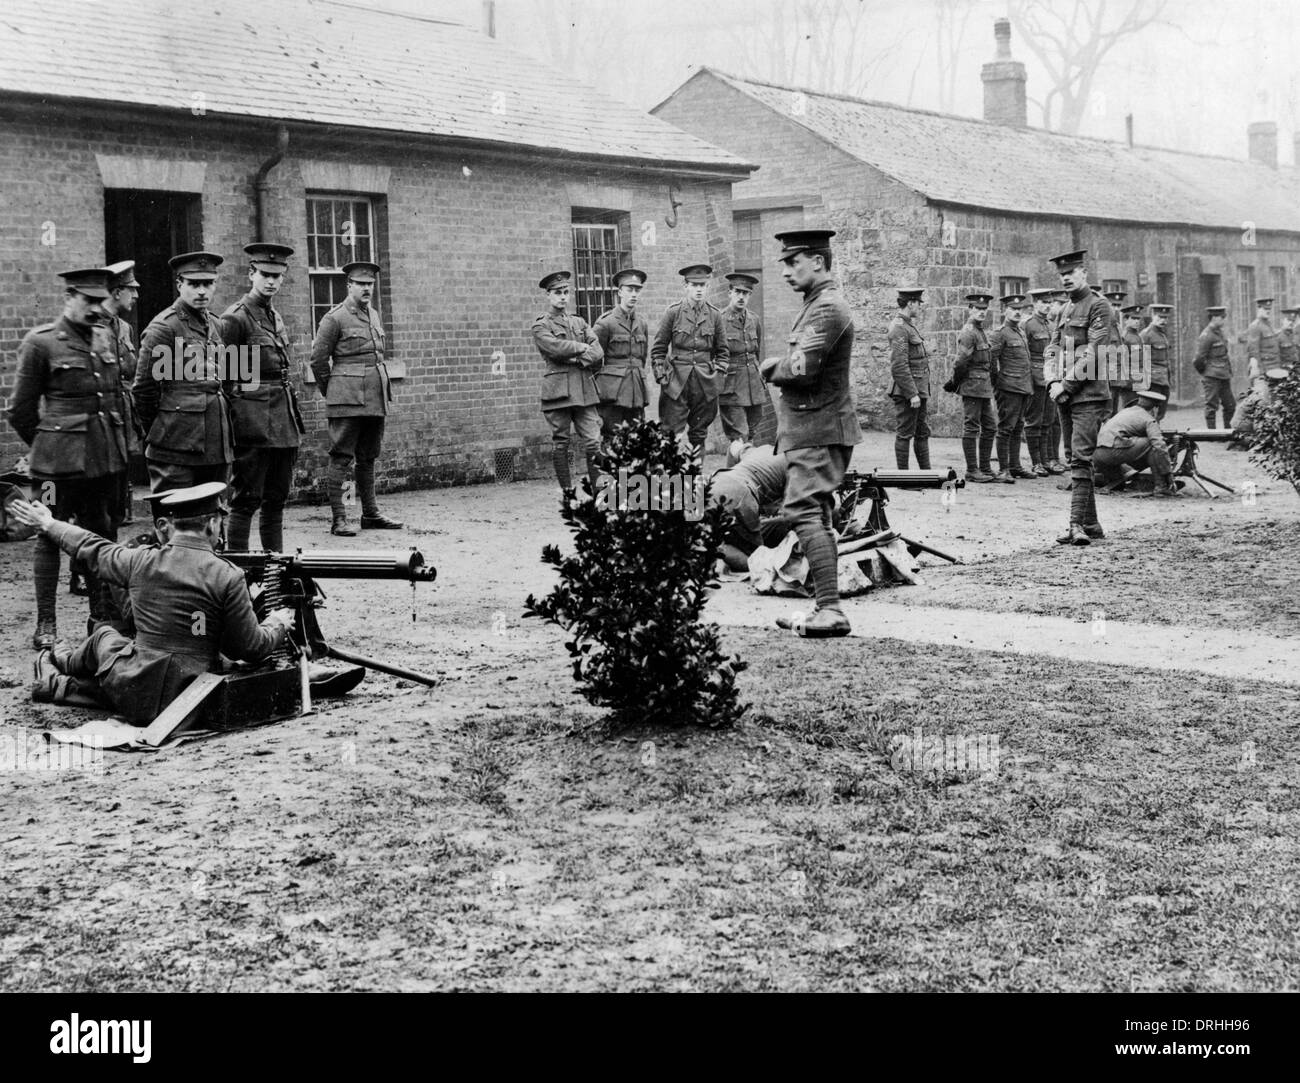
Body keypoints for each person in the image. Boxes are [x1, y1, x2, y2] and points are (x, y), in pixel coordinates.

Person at [11, 483, 295, 725]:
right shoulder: (228, 575)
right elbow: (249, 648)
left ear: (173, 525)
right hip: (192, 697)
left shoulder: (140, 560)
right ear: (212, 523)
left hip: (131, 687)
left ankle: (63, 660)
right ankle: (61, 671)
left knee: (105, 637)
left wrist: (48, 523)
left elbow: (91, 546)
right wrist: (277, 623)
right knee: (108, 639)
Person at [6, 267, 130, 648]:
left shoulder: (105, 337)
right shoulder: (40, 342)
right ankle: (46, 624)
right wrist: (47, 447)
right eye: (88, 301)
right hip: (54, 469)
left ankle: (101, 618)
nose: (96, 309)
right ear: (69, 297)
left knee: (100, 535)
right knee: (46, 533)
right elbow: (20, 411)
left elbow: (111, 399)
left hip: (101, 461)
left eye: (101, 301)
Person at [762, 228, 862, 638]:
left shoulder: (827, 308)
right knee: (815, 512)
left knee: (802, 511)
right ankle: (822, 605)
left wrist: (772, 367)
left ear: (818, 261)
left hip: (819, 428)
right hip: (812, 428)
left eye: (793, 261)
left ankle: (831, 610)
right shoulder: (816, 304)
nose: (785, 271)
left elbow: (802, 369)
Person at [219, 243, 306, 552]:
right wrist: (238, 424)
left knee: (276, 499)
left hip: (282, 419)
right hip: (253, 423)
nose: (271, 282)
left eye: (277, 276)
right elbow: (227, 380)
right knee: (245, 500)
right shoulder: (236, 319)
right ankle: (238, 570)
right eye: (265, 275)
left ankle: (276, 568)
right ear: (250, 274)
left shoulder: (274, 316)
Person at [309, 261, 402, 535]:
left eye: (370, 284)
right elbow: (317, 361)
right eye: (361, 284)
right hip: (346, 399)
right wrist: (335, 390)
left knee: (368, 456)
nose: (366, 289)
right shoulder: (334, 318)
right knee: (341, 457)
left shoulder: (373, 314)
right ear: (348, 285)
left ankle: (370, 514)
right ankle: (339, 519)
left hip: (374, 396)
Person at [134, 251, 234, 494]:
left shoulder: (216, 324)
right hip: (175, 447)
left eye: (208, 284)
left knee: (213, 521)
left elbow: (226, 379)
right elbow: (144, 390)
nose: (202, 291)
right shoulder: (164, 328)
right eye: (194, 284)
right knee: (175, 523)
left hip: (215, 445)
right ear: (180, 284)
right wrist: (162, 431)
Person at [1045, 250, 1111, 546]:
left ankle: (1075, 525)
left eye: (1071, 272)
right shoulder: (1063, 311)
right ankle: (1092, 524)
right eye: (1062, 275)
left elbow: (1095, 353)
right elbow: (1052, 347)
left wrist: (1066, 384)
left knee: (1081, 458)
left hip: (1089, 396)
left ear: (1084, 272)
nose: (1066, 278)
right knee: (1075, 459)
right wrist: (1050, 380)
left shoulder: (1099, 306)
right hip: (1064, 394)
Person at [531, 270, 603, 498]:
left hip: (583, 390)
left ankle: (598, 491)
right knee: (561, 442)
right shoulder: (541, 326)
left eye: (565, 292)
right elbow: (553, 348)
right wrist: (581, 347)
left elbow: (598, 350)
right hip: (558, 392)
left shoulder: (579, 321)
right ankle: (567, 492)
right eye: (557, 293)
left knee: (593, 441)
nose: (563, 297)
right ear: (548, 295)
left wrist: (580, 357)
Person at [651, 264, 729, 462]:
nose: (699, 289)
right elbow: (659, 349)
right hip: (676, 383)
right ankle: (669, 485)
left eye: (703, 285)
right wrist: (662, 377)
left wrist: (718, 379)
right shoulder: (673, 313)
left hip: (704, 384)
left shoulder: (715, 315)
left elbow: (723, 352)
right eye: (694, 285)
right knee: (670, 436)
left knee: (698, 435)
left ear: (708, 287)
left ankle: (695, 483)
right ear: (685, 286)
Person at [99, 260, 143, 529]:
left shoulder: (124, 328)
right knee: (97, 505)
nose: (137, 295)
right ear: (117, 292)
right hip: (102, 424)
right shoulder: (93, 327)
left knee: (116, 502)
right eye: (132, 289)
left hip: (124, 421)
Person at [708, 442, 789, 571]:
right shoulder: (797, 465)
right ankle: (713, 547)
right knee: (757, 559)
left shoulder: (761, 450)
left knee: (696, 531)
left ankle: (706, 543)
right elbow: (791, 513)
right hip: (741, 493)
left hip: (713, 481)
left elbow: (734, 446)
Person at [943, 292, 997, 483]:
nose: (982, 312)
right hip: (972, 386)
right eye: (977, 309)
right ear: (970, 309)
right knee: (972, 426)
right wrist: (956, 382)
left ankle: (985, 468)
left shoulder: (980, 331)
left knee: (990, 427)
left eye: (984, 309)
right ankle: (972, 470)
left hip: (983, 386)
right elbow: (961, 362)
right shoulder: (968, 332)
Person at [591, 268, 650, 439]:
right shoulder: (606, 323)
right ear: (619, 292)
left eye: (637, 290)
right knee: (611, 437)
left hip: (636, 390)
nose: (634, 295)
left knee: (636, 437)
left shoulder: (642, 323)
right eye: (629, 290)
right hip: (612, 392)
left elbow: (642, 358)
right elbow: (594, 360)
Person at [1093, 390, 1178, 495]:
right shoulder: (1149, 419)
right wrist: (1168, 472)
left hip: (1097, 453)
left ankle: (1099, 479)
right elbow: (1159, 445)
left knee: (1119, 483)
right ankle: (1161, 486)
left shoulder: (1125, 411)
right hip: (1112, 451)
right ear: (1155, 407)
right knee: (1152, 445)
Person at [988, 293, 1035, 482]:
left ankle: (1015, 466)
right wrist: (998, 383)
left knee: (1018, 427)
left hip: (1024, 386)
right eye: (1013, 309)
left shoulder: (1021, 331)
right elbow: (992, 361)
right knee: (1006, 428)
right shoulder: (1000, 333)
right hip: (1008, 387)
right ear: (1004, 310)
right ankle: (1003, 469)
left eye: (1020, 310)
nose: (1017, 313)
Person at [718, 273, 766, 442]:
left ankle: (739, 468)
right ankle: (737, 467)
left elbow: (756, 352)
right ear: (729, 292)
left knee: (752, 431)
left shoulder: (754, 319)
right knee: (739, 435)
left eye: (745, 293)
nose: (741, 297)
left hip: (753, 385)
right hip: (731, 386)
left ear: (750, 296)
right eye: (737, 292)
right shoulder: (720, 320)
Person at [887, 288, 931, 469]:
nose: (919, 307)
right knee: (905, 433)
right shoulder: (899, 327)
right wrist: (912, 393)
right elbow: (898, 365)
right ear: (910, 303)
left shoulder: (909, 326)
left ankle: (927, 474)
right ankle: (903, 477)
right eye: (918, 303)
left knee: (922, 432)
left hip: (918, 389)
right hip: (907, 391)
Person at [1022, 288, 1058, 476]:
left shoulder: (1051, 325)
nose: (1047, 306)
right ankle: (1036, 462)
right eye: (1043, 302)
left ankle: (1046, 460)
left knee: (1048, 420)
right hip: (1035, 377)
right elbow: (1023, 355)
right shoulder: (1028, 325)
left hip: (1051, 377)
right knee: (1034, 420)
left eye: (1049, 303)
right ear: (1034, 303)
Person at [1194, 306, 1234, 428]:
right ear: (1214, 318)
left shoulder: (1219, 333)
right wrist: (1207, 373)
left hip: (1224, 375)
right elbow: (1199, 359)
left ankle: (1227, 431)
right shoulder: (1206, 335)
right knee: (1211, 405)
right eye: (1221, 318)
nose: (1223, 320)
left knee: (1230, 405)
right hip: (1212, 376)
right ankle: (1212, 433)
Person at [1231, 367, 1289, 446]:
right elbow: (1259, 426)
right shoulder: (1263, 398)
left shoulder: (1266, 390)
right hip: (1243, 434)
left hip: (1246, 428)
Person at [1139, 303, 1174, 421]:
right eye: (1159, 317)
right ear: (1153, 315)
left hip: (1164, 380)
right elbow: (1140, 360)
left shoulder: (1162, 335)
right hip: (1152, 381)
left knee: (1161, 413)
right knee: (1150, 413)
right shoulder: (1146, 335)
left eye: (1165, 317)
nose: (1163, 320)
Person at [1246, 297, 1280, 394]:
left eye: (1269, 309)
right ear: (1259, 309)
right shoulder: (1255, 326)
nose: (1268, 311)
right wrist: (1257, 370)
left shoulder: (1269, 325)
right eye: (1265, 309)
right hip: (1264, 371)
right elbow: (1253, 351)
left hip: (1274, 369)